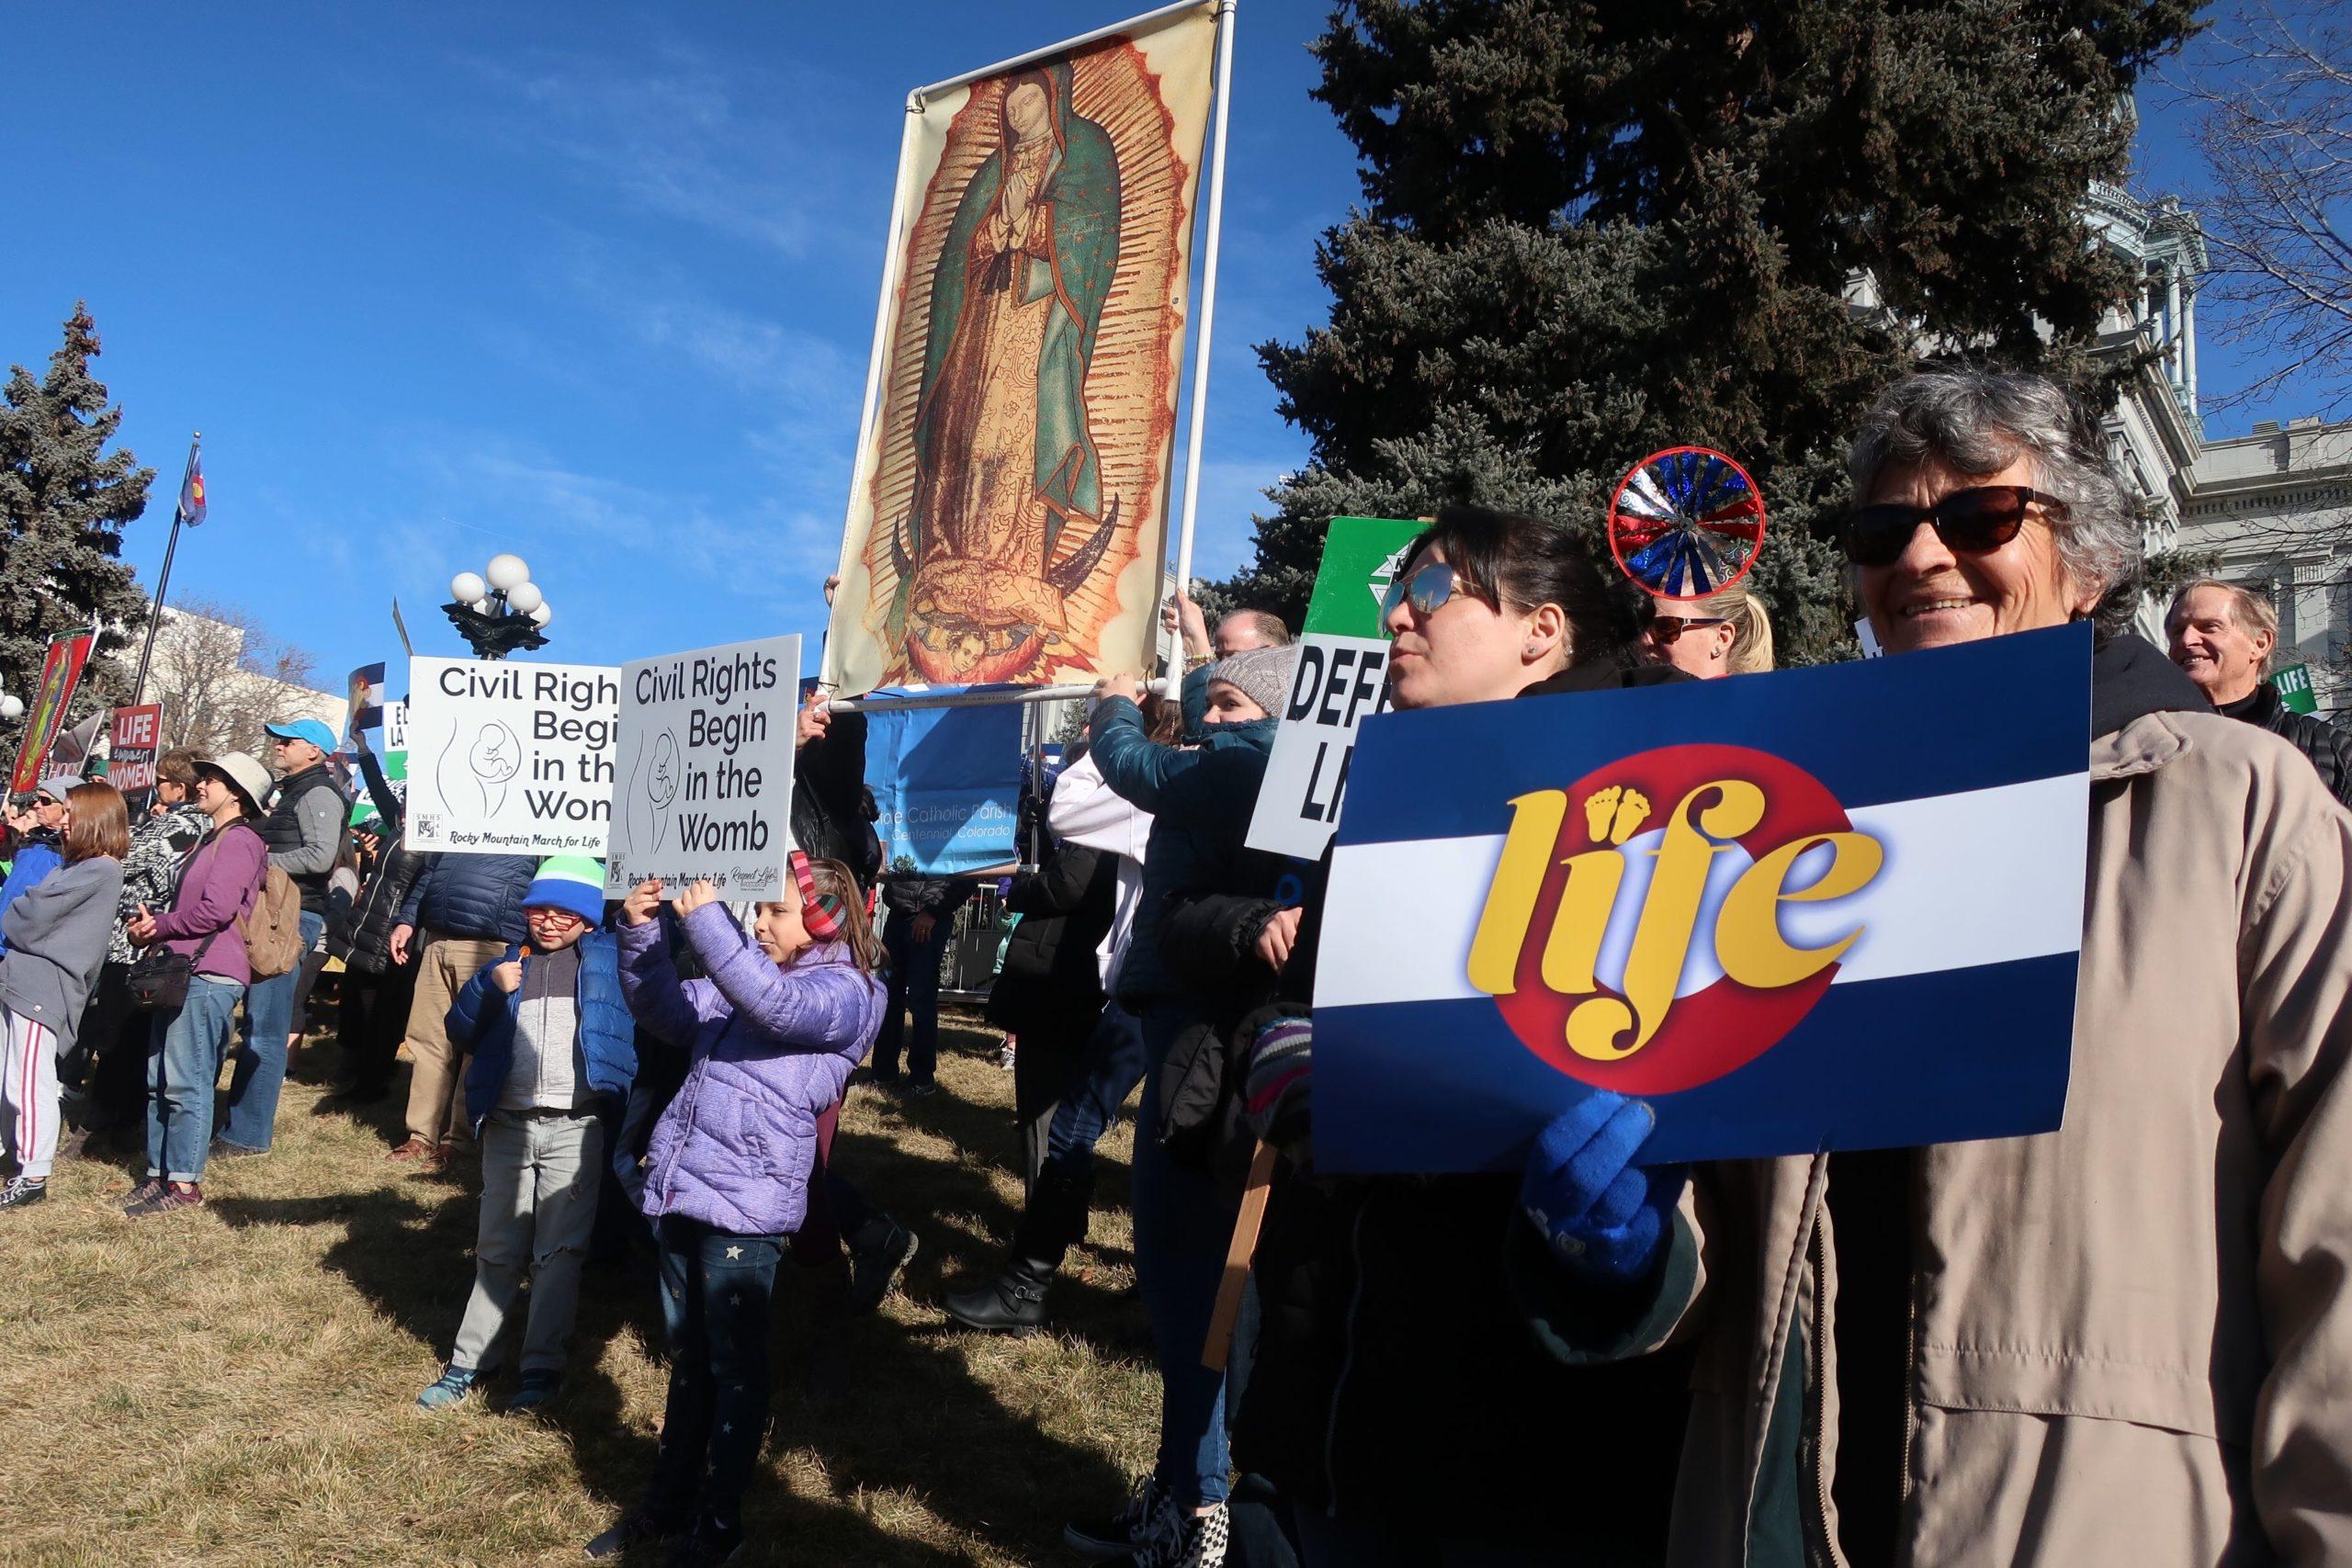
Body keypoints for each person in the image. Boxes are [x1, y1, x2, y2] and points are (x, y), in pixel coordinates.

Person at [1545, 367, 2352, 1563]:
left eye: (1979, 520)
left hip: (2107, 1517)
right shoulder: (1781, 827)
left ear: (2090, 560)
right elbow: (1738, 1216)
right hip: (1775, 1514)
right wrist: (1631, 1245)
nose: (1922, 557)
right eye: (1883, 528)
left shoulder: (2237, 801)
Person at [1177, 505, 1696, 1565]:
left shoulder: (1665, 787)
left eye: (1429, 593)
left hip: (1542, 1424)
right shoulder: (1392, 782)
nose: (1397, 620)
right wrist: (1298, 1076)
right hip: (1344, 1352)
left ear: (1540, 630)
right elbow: (1291, 1008)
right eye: (1394, 598)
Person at [1059, 640, 1297, 1568]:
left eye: (1228, 702)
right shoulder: (1259, 759)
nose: (1210, 720)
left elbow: (1135, 768)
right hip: (1203, 1027)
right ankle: (1189, 1493)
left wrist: (1115, 704)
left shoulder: (1252, 756)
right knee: (1196, 1276)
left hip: (1203, 1041)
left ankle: (1197, 1509)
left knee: (1187, 1270)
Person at [587, 854, 883, 1567]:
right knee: (691, 1361)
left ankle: (721, 1524)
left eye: (774, 911)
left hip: (746, 1208)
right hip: (689, 1185)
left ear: (822, 919)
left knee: (735, 1368)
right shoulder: (747, 967)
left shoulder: (848, 990)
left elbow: (774, 1007)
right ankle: (668, 1502)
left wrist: (707, 921)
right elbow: (665, 1010)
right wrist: (640, 930)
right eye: (756, 911)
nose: (758, 921)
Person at [944, 720, 1155, 1336]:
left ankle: (1044, 1241)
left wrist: (1016, 886)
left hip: (1066, 982)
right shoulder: (1134, 798)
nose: (1087, 730)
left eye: (1098, 722)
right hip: (1082, 980)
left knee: (1056, 1121)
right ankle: (1043, 1251)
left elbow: (1069, 873)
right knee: (1066, 1123)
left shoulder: (1120, 797)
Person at [416, 857, 636, 1416]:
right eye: (541, 908)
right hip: (509, 1126)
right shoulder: (507, 962)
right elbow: (460, 1032)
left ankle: (541, 1368)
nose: (552, 920)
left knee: (558, 1253)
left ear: (590, 919)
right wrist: (488, 989)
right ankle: (470, 1361)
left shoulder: (610, 960)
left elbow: (653, 983)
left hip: (576, 1127)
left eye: (568, 911)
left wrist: (637, 921)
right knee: (497, 1248)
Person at [122, 753, 271, 1217]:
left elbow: (216, 911)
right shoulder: (213, 838)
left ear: (237, 792)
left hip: (210, 975)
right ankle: (158, 1174)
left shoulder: (241, 840)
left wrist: (160, 926)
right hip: (183, 972)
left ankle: (184, 1184)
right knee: (158, 1080)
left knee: (186, 1082)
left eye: (211, 779)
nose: (201, 785)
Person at [219, 717, 346, 1156]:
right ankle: (241, 1124)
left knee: (266, 1030)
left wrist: (258, 858)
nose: (277, 746)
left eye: (287, 741)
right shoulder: (295, 790)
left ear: (314, 751)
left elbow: (320, 855)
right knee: (258, 1023)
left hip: (293, 921)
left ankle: (247, 1135)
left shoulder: (319, 792)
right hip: (275, 916)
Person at [0, 781, 128, 1207]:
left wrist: (26, 915)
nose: (63, 820)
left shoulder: (101, 869)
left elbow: (25, 915)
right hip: (21, 979)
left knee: (29, 1083)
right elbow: (24, 912)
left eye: (72, 812)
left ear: (95, 818)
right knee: (7, 1078)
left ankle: (33, 1174)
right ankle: (13, 1154)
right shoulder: (70, 867)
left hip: (47, 986)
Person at [75, 749, 208, 1136]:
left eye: (160, 782)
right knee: (136, 1039)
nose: (154, 789)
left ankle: (105, 1121)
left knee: (118, 1037)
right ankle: (124, 1117)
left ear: (178, 788)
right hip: (154, 944)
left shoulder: (174, 828)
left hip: (133, 943)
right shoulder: (197, 826)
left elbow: (120, 859)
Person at [387, 848, 537, 1165]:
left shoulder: (532, 817)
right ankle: (420, 1136)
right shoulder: (461, 813)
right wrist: (407, 919)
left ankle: (460, 1139)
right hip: (438, 939)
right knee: (426, 1040)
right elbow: (430, 871)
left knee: (476, 1045)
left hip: (491, 942)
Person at [2166, 577, 2352, 807]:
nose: (2187, 640)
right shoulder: (2150, 740)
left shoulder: (2332, 751)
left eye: (2209, 627)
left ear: (2260, 643)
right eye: (2178, 631)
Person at [872, 866, 965, 1095]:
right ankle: (883, 1074)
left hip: (930, 919)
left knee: (921, 1000)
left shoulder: (955, 831)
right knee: (887, 996)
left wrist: (932, 912)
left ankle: (922, 1079)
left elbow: (967, 876)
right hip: (897, 916)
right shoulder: (904, 829)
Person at [0, 774, 83, 942]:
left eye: (45, 801)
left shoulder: (73, 852)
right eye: (37, 799)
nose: (36, 805)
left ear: (68, 807)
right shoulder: (30, 842)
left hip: (25, 947)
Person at [1638, 584, 1775, 678]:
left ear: (1721, 638)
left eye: (1665, 626)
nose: (1645, 640)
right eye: (1640, 627)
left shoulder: (1749, 716)